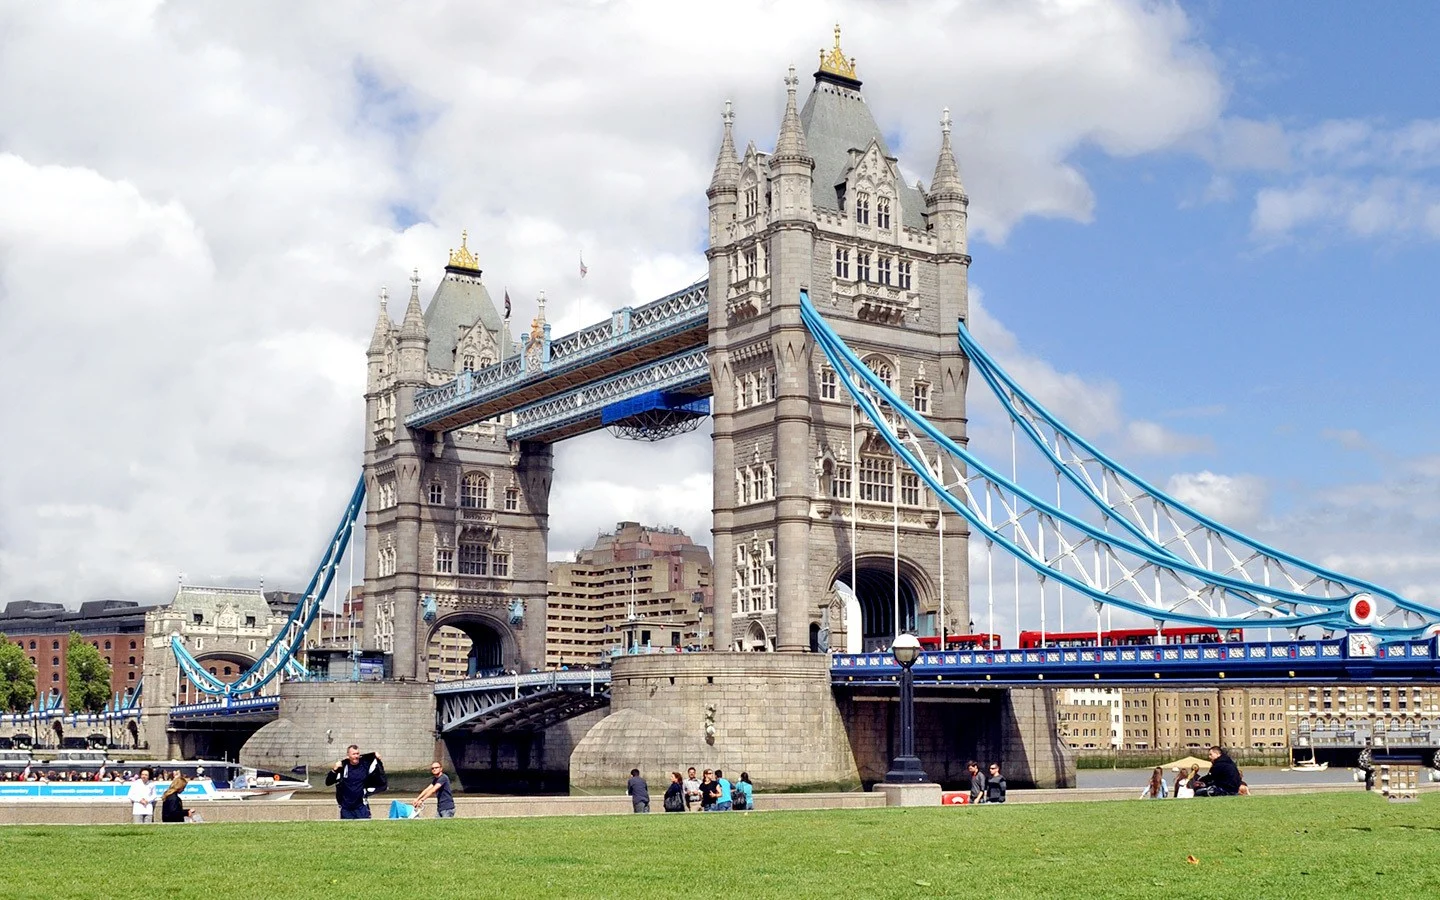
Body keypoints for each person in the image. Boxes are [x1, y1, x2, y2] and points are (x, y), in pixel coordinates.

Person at [324, 744, 387, 819]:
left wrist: (374, 754)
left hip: (361, 806)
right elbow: (328, 782)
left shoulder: (364, 765)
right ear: (348, 755)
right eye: (353, 754)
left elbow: (368, 759)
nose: (356, 756)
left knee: (365, 827)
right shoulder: (343, 767)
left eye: (357, 753)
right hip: (346, 807)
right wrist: (334, 769)